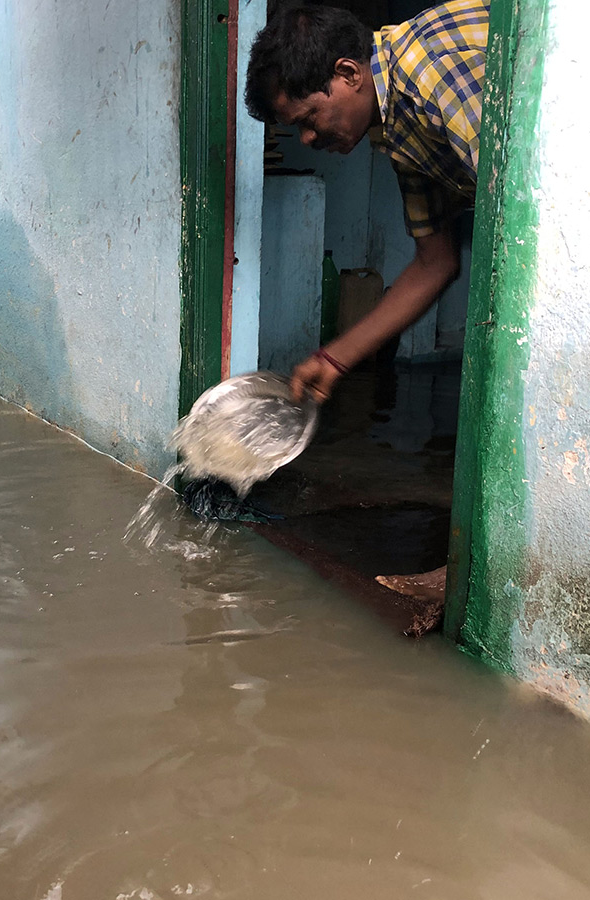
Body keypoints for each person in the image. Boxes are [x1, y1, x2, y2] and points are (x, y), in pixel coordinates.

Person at [244, 1, 489, 605]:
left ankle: (483, 571)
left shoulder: (428, 74)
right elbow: (436, 263)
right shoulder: (395, 127)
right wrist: (333, 360)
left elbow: (532, 218)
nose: (307, 138)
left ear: (349, 74)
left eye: (308, 117)